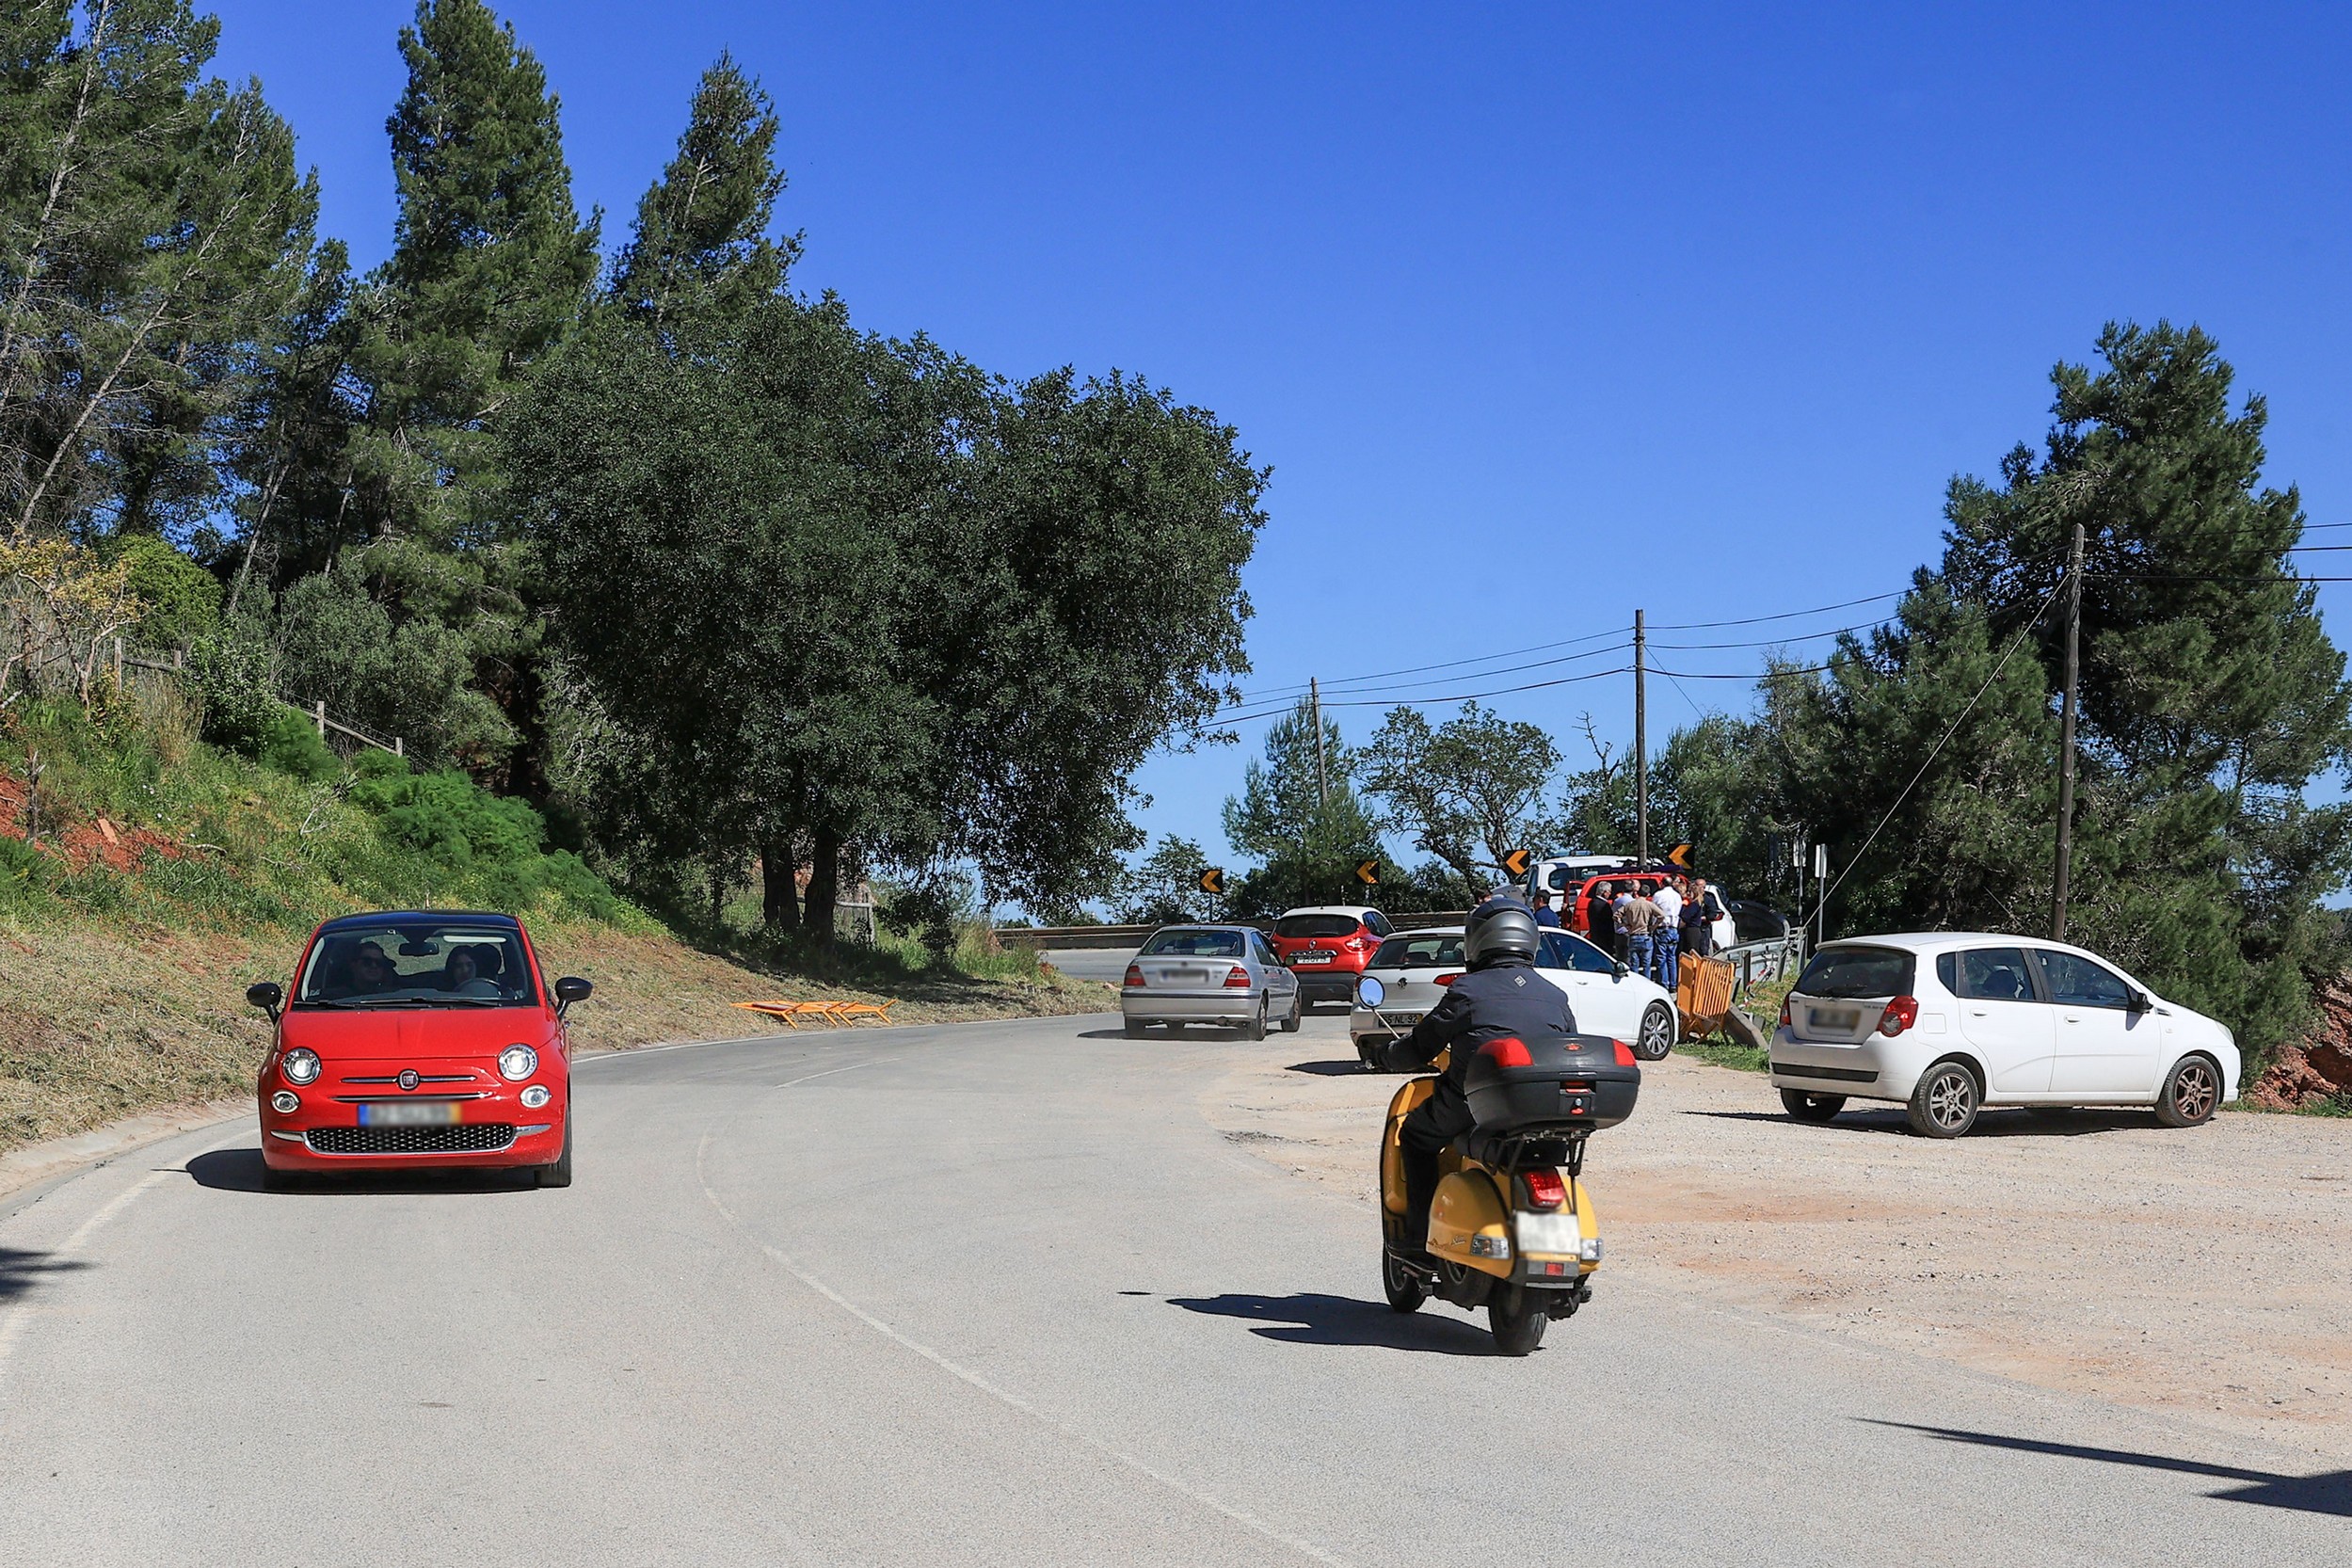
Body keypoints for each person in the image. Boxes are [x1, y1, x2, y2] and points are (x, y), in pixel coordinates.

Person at [1380, 898, 1575, 1259]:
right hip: (1540, 1108)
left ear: (1477, 941)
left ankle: (1420, 1240)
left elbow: (1420, 1047)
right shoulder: (1555, 996)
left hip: (1474, 1104)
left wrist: (1388, 1056)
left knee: (1415, 1136)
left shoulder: (1466, 991)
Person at [1617, 886, 1662, 982]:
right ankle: (1647, 983)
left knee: (1634, 964)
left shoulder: (1630, 905)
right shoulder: (1649, 905)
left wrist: (1625, 925)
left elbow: (1616, 915)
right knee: (1646, 964)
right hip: (1645, 935)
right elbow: (1661, 915)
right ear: (1648, 894)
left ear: (1637, 893)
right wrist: (1654, 926)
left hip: (1633, 935)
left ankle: (1635, 982)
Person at [1652, 877, 1685, 992]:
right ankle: (1673, 984)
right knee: (1672, 957)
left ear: (1662, 884)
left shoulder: (1658, 895)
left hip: (1663, 928)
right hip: (1674, 928)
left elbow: (1654, 910)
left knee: (1661, 957)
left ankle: (1664, 983)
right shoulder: (1677, 896)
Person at [1682, 876, 1716, 959]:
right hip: (1692, 927)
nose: (1701, 889)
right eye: (1699, 886)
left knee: (1703, 950)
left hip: (1703, 928)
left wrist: (1702, 918)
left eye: (1703, 887)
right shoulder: (1690, 900)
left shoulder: (1708, 899)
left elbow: (1712, 914)